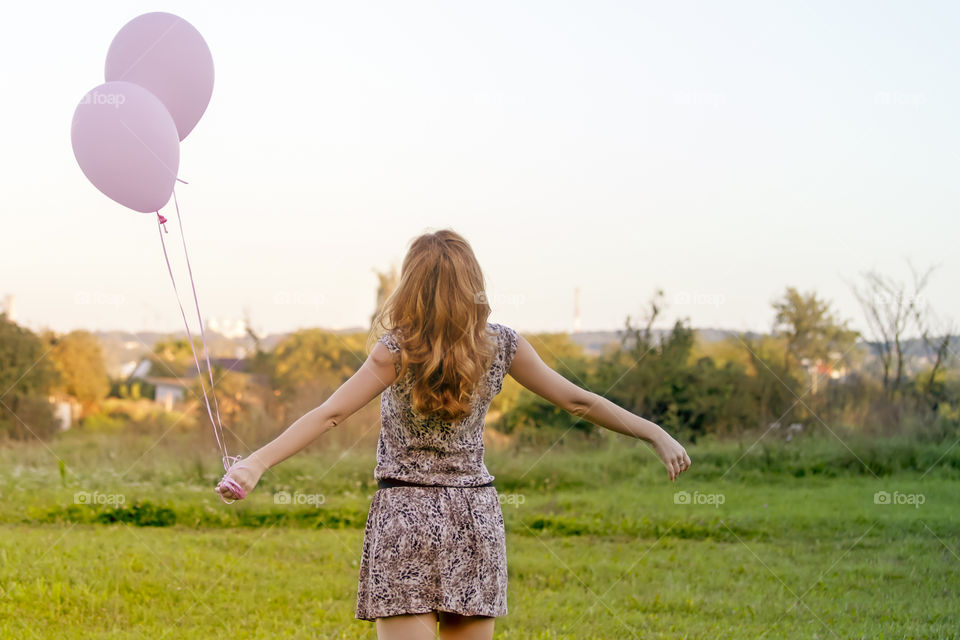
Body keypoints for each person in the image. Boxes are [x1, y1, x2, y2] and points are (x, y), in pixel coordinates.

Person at [216, 228, 691, 640]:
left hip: (405, 517)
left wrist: (255, 462)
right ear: (474, 284)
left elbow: (329, 415)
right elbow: (578, 401)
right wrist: (655, 433)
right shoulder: (502, 345)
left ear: (411, 286)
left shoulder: (395, 351)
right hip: (475, 519)